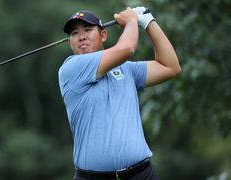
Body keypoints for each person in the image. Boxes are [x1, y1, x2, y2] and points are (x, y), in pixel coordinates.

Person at [58, 6, 181, 180]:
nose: (82, 36)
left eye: (87, 29)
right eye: (74, 33)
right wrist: (131, 21)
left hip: (141, 174)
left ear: (103, 35)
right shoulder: (71, 68)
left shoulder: (127, 69)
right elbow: (127, 48)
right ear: (69, 42)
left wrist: (148, 22)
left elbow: (170, 67)